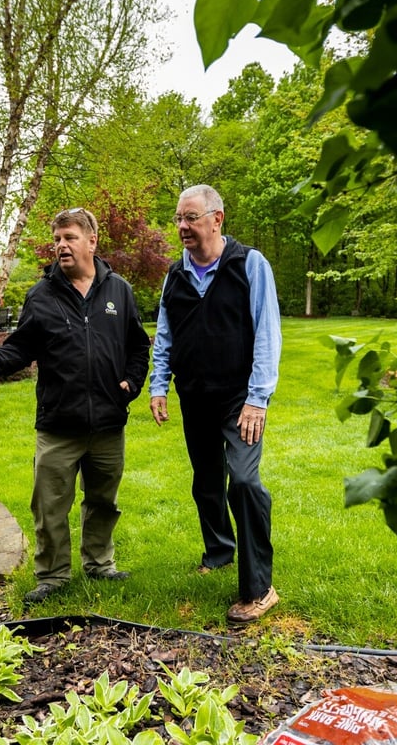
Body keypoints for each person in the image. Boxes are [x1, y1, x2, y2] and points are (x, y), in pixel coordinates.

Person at [0, 207, 150, 604]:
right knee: (50, 507)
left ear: (91, 242)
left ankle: (99, 564)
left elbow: (138, 346)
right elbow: (22, 349)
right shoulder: (41, 295)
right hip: (60, 424)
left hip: (108, 423)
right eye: (57, 238)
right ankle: (54, 576)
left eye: (70, 237)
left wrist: (131, 383)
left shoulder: (118, 291)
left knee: (103, 502)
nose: (61, 245)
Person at [149, 184, 282, 624]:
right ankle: (219, 551)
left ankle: (260, 588)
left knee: (242, 482)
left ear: (216, 219)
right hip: (196, 399)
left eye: (190, 218)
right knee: (206, 483)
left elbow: (267, 332)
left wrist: (258, 399)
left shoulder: (249, 265)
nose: (182, 227)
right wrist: (159, 385)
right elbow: (165, 335)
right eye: (179, 219)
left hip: (239, 401)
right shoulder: (175, 275)